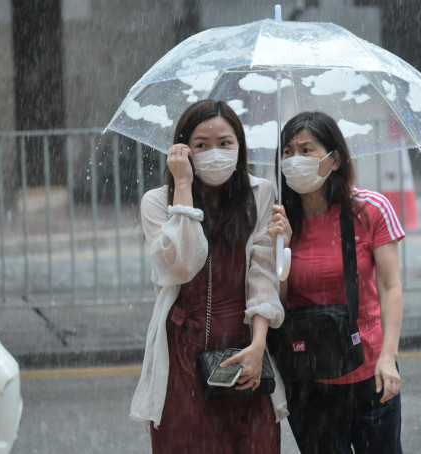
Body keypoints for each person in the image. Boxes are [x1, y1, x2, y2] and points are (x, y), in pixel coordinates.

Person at [131, 99, 287, 453]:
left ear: (239, 147)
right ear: (182, 149)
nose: (214, 152)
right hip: (181, 351)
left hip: (244, 344)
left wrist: (258, 344)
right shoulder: (157, 203)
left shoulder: (260, 194)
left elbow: (262, 275)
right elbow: (184, 264)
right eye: (201, 145)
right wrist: (183, 188)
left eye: (225, 143)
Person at [267, 111, 405, 453]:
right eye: (287, 151)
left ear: (335, 158)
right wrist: (280, 247)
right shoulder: (278, 219)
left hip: (370, 370)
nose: (294, 159)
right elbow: (278, 300)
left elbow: (390, 287)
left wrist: (388, 357)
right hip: (309, 379)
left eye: (306, 149)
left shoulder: (370, 209)